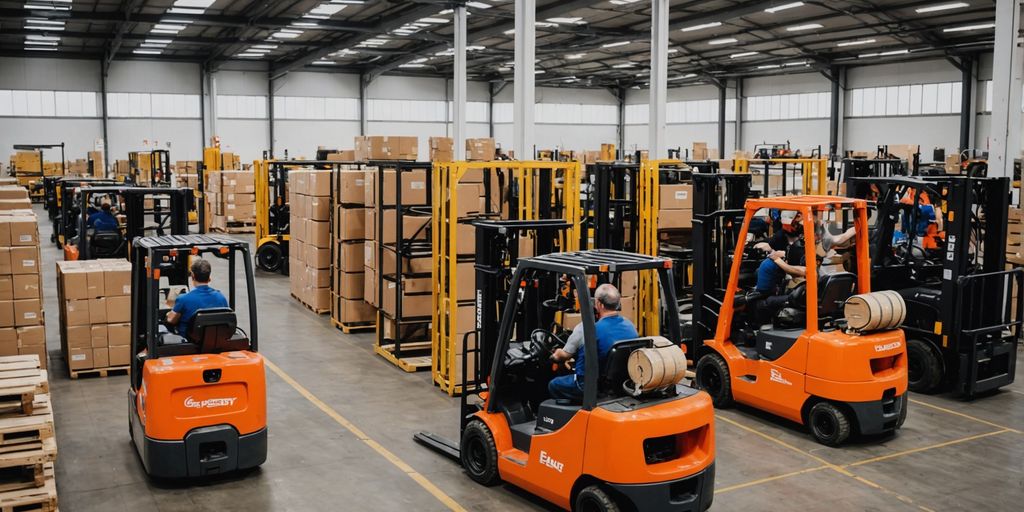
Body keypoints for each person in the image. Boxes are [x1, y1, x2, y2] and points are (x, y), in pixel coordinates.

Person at [548, 284, 638, 401]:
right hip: (618, 384)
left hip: (588, 386)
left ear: (599, 304)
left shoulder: (587, 329)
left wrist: (555, 354)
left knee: (553, 385)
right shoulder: (630, 326)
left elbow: (563, 356)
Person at [166, 258, 229, 337]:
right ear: (209, 277)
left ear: (192, 276)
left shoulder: (183, 299)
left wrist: (168, 313)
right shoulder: (221, 297)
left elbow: (171, 320)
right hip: (214, 339)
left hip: (189, 342)